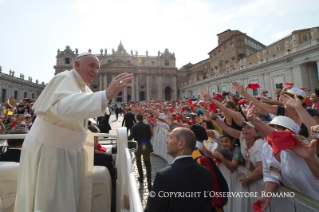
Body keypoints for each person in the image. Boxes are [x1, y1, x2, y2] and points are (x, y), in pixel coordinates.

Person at [15, 52, 133, 212]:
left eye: (98, 67)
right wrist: (106, 94)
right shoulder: (65, 78)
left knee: (64, 199)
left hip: (64, 150)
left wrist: (105, 97)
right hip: (51, 151)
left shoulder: (80, 86)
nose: (96, 71)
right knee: (52, 202)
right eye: (92, 65)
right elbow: (62, 107)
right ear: (77, 65)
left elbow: (90, 107)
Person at [145, 127, 214, 212]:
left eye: (170, 138)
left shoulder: (164, 176)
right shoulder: (206, 172)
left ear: (181, 144)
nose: (167, 140)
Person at [128, 113, 153, 191]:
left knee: (139, 163)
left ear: (137, 118)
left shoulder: (134, 127)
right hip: (146, 147)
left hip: (138, 147)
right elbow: (149, 136)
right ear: (142, 118)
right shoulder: (147, 126)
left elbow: (131, 137)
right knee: (147, 164)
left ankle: (141, 178)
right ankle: (149, 181)